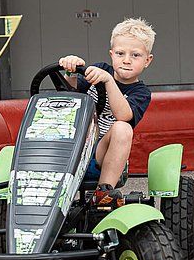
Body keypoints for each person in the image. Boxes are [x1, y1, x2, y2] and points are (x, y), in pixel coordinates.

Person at [58, 17, 155, 209]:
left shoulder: (140, 93)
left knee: (122, 128)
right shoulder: (99, 70)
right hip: (71, 147)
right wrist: (71, 71)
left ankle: (104, 192)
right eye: (120, 53)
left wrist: (109, 82)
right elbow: (72, 94)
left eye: (135, 55)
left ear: (147, 61)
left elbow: (124, 116)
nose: (126, 60)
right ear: (112, 54)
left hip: (100, 154)